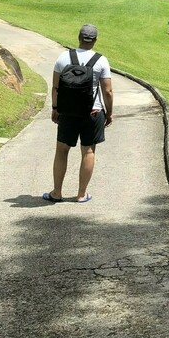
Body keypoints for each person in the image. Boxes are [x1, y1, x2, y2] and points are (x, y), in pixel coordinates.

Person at [43, 24, 113, 203]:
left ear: (79, 38)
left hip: (68, 113)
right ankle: (81, 194)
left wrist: (55, 109)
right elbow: (108, 91)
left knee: (62, 150)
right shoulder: (101, 60)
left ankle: (57, 193)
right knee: (88, 151)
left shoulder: (63, 58)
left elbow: (56, 87)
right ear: (95, 40)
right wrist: (109, 113)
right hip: (94, 112)